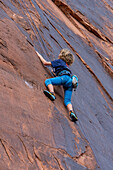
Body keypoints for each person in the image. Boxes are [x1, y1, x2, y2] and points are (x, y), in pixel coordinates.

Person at [36, 49, 78, 121]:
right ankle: (71, 112)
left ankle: (52, 93)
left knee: (48, 81)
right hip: (70, 82)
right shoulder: (67, 66)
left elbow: (45, 63)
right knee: (67, 101)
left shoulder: (60, 61)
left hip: (64, 78)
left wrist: (38, 55)